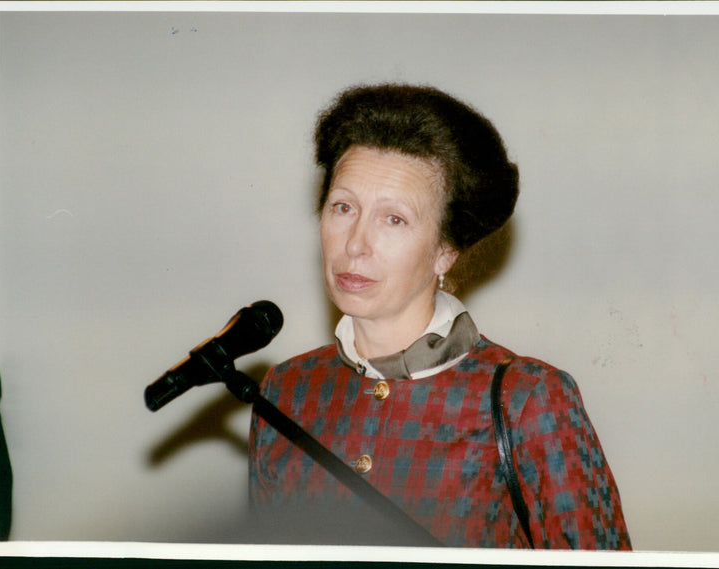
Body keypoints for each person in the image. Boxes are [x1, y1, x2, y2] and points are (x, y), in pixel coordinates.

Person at [248, 83, 631, 549]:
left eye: (394, 219)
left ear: (446, 250)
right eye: (343, 207)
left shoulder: (528, 400)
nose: (354, 243)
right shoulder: (285, 391)